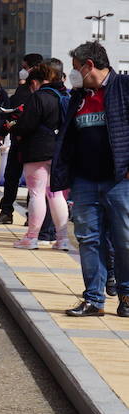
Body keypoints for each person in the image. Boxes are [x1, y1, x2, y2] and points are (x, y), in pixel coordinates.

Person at [54, 42, 129, 318]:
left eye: (76, 68)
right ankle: (94, 299)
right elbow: (68, 137)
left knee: (125, 239)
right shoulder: (78, 96)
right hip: (85, 181)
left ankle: (127, 296)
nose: (73, 74)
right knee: (88, 239)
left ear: (89, 66)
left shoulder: (123, 86)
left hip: (120, 180)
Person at [10, 62, 69, 251]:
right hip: (59, 150)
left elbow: (27, 125)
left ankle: (31, 237)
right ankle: (62, 239)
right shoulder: (64, 95)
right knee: (56, 194)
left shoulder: (39, 97)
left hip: (37, 150)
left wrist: (15, 128)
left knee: (36, 193)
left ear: (36, 81)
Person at [0, 53, 45, 224]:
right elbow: (12, 111)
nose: (21, 71)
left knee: (34, 182)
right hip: (17, 140)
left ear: (33, 68)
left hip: (34, 143)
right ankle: (6, 211)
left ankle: (32, 215)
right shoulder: (22, 89)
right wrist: (3, 131)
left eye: (24, 67)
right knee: (11, 176)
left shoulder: (43, 91)